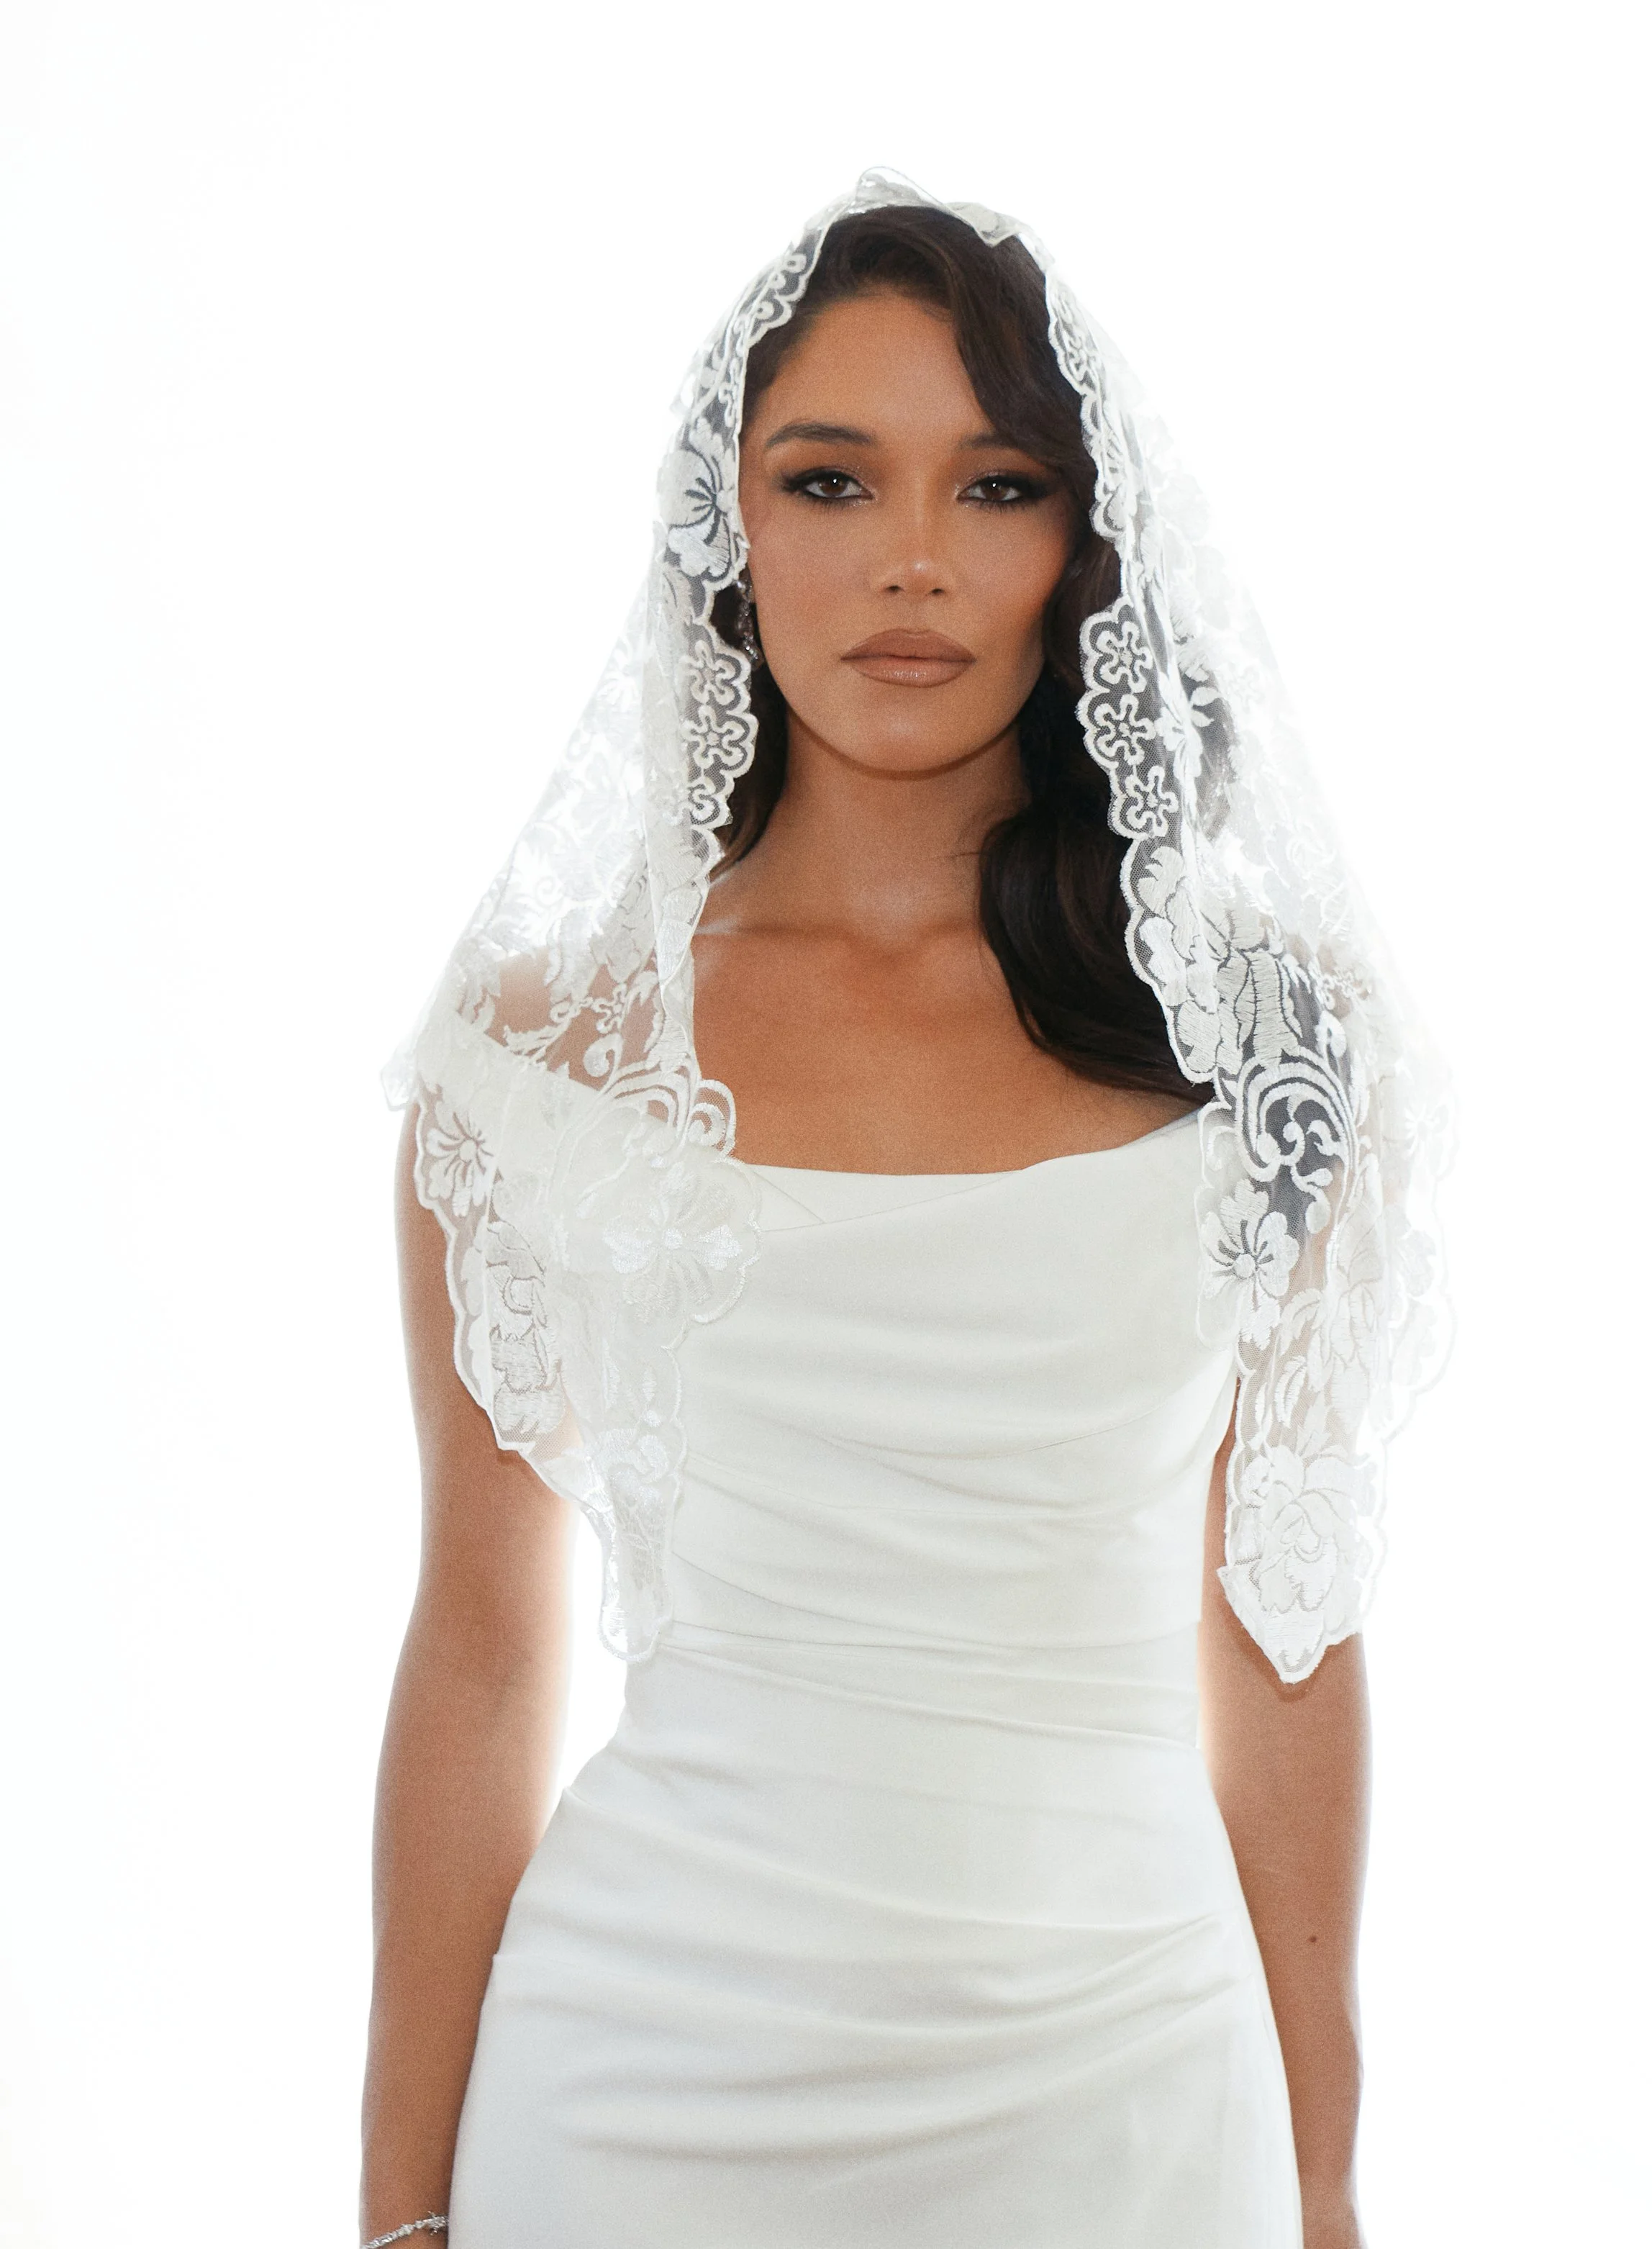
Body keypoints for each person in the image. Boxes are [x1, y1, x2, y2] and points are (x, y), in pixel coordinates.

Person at [362, 173, 1448, 2249]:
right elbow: (485, 1662)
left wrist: (1319, 2191)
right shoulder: (533, 1061)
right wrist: (400, 2214)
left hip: (1121, 2087)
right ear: (727, 532)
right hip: (638, 2091)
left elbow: (1289, 1652)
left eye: (999, 481)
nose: (916, 562)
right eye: (832, 480)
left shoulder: (1261, 1050)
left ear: (1082, 548)